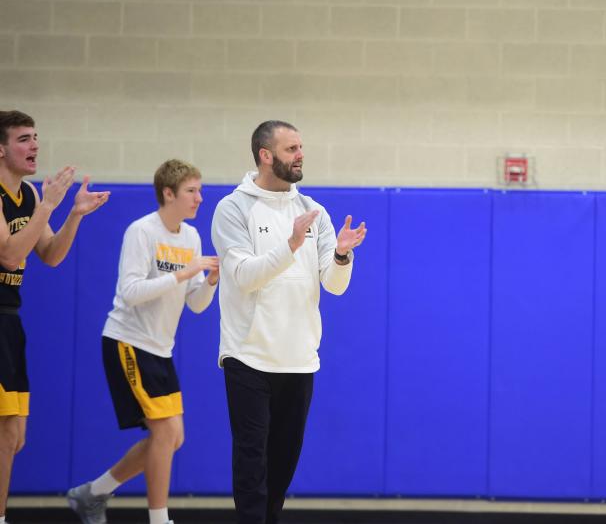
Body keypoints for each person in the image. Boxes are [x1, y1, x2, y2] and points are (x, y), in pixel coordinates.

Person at [211, 120, 366, 524]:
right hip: (248, 356)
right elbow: (244, 276)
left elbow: (334, 287)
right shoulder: (233, 209)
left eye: (301, 147)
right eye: (291, 148)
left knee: (281, 467)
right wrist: (291, 245)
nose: (300, 155)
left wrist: (342, 256)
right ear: (266, 155)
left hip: (299, 359)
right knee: (251, 461)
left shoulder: (313, 211)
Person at [66, 160, 219, 524]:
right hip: (127, 341)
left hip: (159, 349)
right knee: (165, 433)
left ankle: (94, 492)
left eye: (199, 190)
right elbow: (131, 292)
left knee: (172, 437)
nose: (200, 198)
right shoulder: (142, 231)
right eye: (191, 191)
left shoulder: (192, 238)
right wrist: (185, 272)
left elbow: (195, 305)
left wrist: (211, 281)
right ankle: (159, 519)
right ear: (168, 193)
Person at [0, 110, 110, 524]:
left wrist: (74, 214)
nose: (35, 146)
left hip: (9, 316)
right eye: (24, 139)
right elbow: (9, 253)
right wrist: (48, 204)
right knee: (6, 432)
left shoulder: (28, 194)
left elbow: (49, 255)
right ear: (1, 149)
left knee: (14, 435)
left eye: (36, 138)